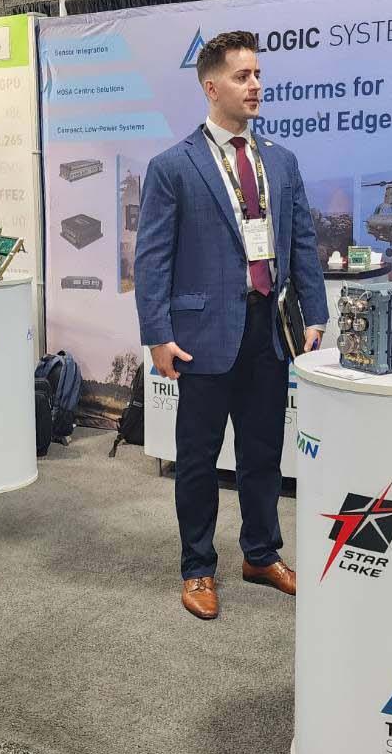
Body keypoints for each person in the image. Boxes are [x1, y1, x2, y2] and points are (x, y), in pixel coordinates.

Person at [134, 30, 327, 620]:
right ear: (211, 87)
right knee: (197, 458)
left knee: (263, 452)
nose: (255, 85)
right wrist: (157, 333)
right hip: (202, 337)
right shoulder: (173, 167)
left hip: (270, 330)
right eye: (243, 76)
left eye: (258, 74)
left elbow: (302, 242)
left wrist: (315, 313)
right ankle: (197, 567)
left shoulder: (282, 161)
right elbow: (153, 258)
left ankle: (261, 553)